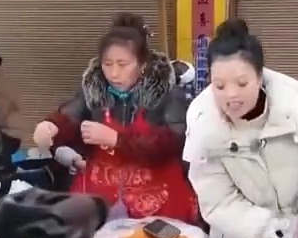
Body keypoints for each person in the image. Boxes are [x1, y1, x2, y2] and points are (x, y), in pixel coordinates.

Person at [183, 19, 298, 238]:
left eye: (242, 83)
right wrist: (280, 229)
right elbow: (219, 203)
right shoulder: (205, 131)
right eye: (219, 86)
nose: (231, 94)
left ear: (260, 78)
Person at [33, 13, 197, 222]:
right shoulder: (94, 90)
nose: (113, 73)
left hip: (155, 192)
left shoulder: (167, 94)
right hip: (101, 189)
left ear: (142, 64)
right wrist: (52, 126)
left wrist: (117, 139)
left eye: (122, 64)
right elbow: (72, 117)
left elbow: (174, 142)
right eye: (107, 64)